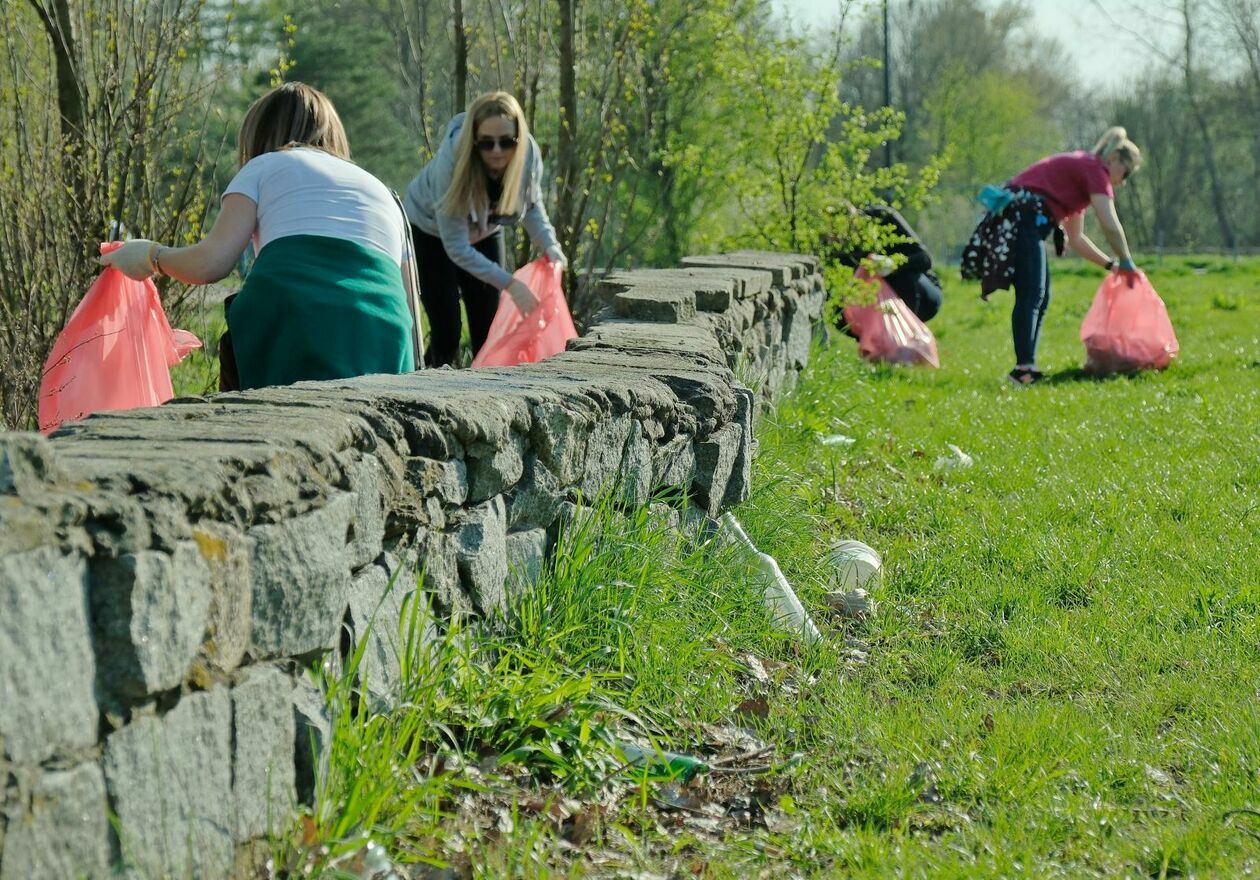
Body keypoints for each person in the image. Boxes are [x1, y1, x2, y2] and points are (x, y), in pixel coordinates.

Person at [100, 82, 418, 391]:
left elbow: (211, 264)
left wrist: (150, 256)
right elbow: (408, 301)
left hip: (293, 319)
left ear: (261, 134)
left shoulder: (263, 166)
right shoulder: (384, 192)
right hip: (384, 336)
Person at [961, 127, 1142, 385]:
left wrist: (1112, 265)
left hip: (1025, 218)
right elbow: (1109, 223)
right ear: (1114, 158)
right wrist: (1126, 260)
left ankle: (1027, 367)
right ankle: (1023, 370)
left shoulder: (1082, 173)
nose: (1123, 181)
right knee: (1031, 293)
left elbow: (1077, 239)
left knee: (1040, 296)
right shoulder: (1094, 169)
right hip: (1023, 217)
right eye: (1127, 172)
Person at [404, 91, 566, 367]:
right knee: (448, 330)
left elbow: (532, 206)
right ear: (473, 140)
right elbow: (455, 246)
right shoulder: (452, 163)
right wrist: (512, 285)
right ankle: (424, 385)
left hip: (485, 232)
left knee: (488, 327)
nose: (497, 151)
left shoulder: (528, 156)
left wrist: (551, 247)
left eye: (506, 142)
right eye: (486, 143)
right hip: (430, 233)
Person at [831, 203, 943, 324]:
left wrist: (892, 265)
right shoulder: (833, 247)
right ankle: (872, 340)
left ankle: (908, 336)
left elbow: (924, 259)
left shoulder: (881, 217)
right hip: (874, 300)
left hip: (918, 291)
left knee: (905, 279)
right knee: (839, 307)